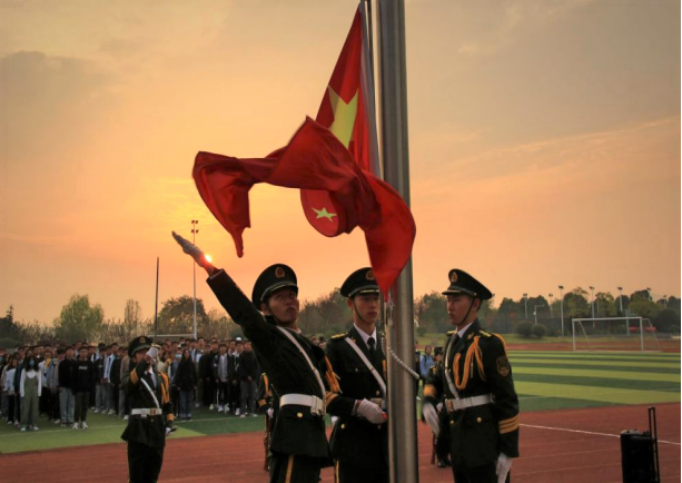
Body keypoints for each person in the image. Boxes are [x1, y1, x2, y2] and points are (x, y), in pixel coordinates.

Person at [173, 231, 338, 483]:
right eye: (280, 297)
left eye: (292, 295)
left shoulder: (308, 345)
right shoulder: (269, 338)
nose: (289, 301)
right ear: (265, 308)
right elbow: (243, 312)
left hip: (312, 432)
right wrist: (208, 266)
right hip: (294, 434)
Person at [423, 270, 520, 483]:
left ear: (475, 304)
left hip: (484, 445)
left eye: (456, 300)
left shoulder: (488, 344)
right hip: (458, 443)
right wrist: (428, 399)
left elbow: (507, 399)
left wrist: (508, 450)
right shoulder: (451, 342)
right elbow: (436, 376)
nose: (450, 306)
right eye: (448, 300)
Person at [325, 268, 389, 483]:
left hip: (387, 446)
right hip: (353, 448)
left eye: (376, 298)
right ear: (351, 303)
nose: (373, 305)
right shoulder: (338, 347)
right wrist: (357, 406)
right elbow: (327, 397)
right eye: (365, 299)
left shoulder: (390, 344)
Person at [121, 336, 175, 483]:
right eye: (142, 353)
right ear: (134, 358)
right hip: (138, 431)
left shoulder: (162, 378)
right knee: (137, 478)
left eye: (148, 351)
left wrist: (168, 424)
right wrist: (145, 361)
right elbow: (128, 386)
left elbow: (167, 405)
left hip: (157, 431)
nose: (147, 355)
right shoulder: (130, 377)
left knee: (152, 477)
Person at [72, 345, 95, 430]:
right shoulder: (76, 363)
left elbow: (92, 376)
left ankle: (83, 421)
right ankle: (75, 422)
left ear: (87, 353)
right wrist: (74, 389)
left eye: (85, 352)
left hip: (87, 389)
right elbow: (73, 377)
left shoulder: (90, 364)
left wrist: (91, 387)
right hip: (78, 389)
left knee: (85, 406)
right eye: (82, 352)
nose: (83, 353)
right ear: (79, 353)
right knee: (77, 406)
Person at [238, 340, 260, 417]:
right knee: (244, 396)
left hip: (253, 379)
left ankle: (251, 412)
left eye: (249, 344)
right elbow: (241, 368)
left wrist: (252, 376)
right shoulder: (242, 355)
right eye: (246, 344)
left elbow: (256, 368)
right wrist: (247, 376)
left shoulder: (254, 355)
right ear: (244, 345)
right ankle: (243, 412)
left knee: (252, 396)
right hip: (244, 379)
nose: (248, 346)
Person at [174, 349, 197, 421]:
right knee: (182, 401)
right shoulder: (181, 364)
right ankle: (183, 415)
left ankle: (188, 414)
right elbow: (178, 375)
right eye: (185, 353)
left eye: (188, 353)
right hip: (182, 385)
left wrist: (195, 384)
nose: (186, 354)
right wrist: (178, 385)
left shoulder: (192, 364)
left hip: (190, 385)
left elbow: (195, 374)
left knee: (189, 400)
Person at [20, 356, 41, 431]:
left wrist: (39, 392)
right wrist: (22, 392)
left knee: (35, 408)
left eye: (33, 360)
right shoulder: (24, 370)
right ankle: (24, 424)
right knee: (25, 408)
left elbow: (39, 382)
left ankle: (34, 424)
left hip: (35, 390)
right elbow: (22, 382)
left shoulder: (38, 371)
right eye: (30, 360)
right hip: (26, 390)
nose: (32, 362)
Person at [58, 346, 76, 427]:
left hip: (72, 386)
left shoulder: (75, 363)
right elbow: (60, 375)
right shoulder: (62, 363)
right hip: (64, 386)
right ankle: (64, 420)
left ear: (73, 352)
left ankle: (71, 419)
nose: (70, 352)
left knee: (71, 404)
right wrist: (60, 385)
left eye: (71, 350)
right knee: (63, 404)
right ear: (66, 352)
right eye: (68, 351)